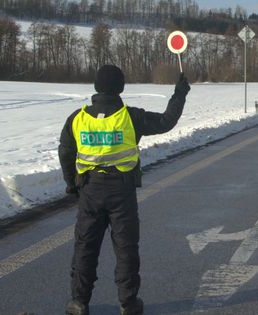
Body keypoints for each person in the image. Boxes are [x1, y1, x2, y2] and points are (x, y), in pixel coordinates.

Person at [58, 64, 190, 315]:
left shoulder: (78, 118)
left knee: (85, 246)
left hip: (90, 191)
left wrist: (71, 185)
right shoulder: (130, 117)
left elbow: (65, 152)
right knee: (126, 248)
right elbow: (165, 121)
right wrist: (179, 94)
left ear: (96, 86)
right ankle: (128, 303)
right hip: (122, 192)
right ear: (120, 87)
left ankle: (78, 302)